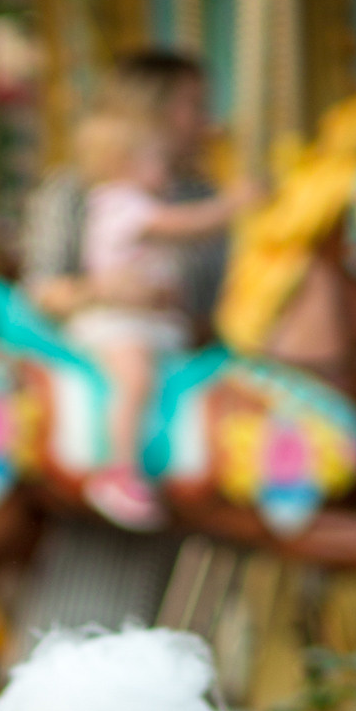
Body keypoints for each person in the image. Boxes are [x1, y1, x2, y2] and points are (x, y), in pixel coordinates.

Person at [64, 104, 252, 531]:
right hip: (121, 324)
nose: (167, 170)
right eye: (156, 161)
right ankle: (117, 471)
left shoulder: (138, 204)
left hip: (153, 324)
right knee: (135, 380)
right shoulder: (120, 204)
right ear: (123, 164)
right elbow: (187, 224)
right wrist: (235, 203)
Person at [25, 46, 230, 342]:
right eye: (194, 106)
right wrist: (100, 291)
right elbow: (42, 289)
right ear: (152, 108)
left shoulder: (200, 193)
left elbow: (217, 303)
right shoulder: (74, 190)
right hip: (103, 339)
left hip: (176, 341)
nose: (206, 121)